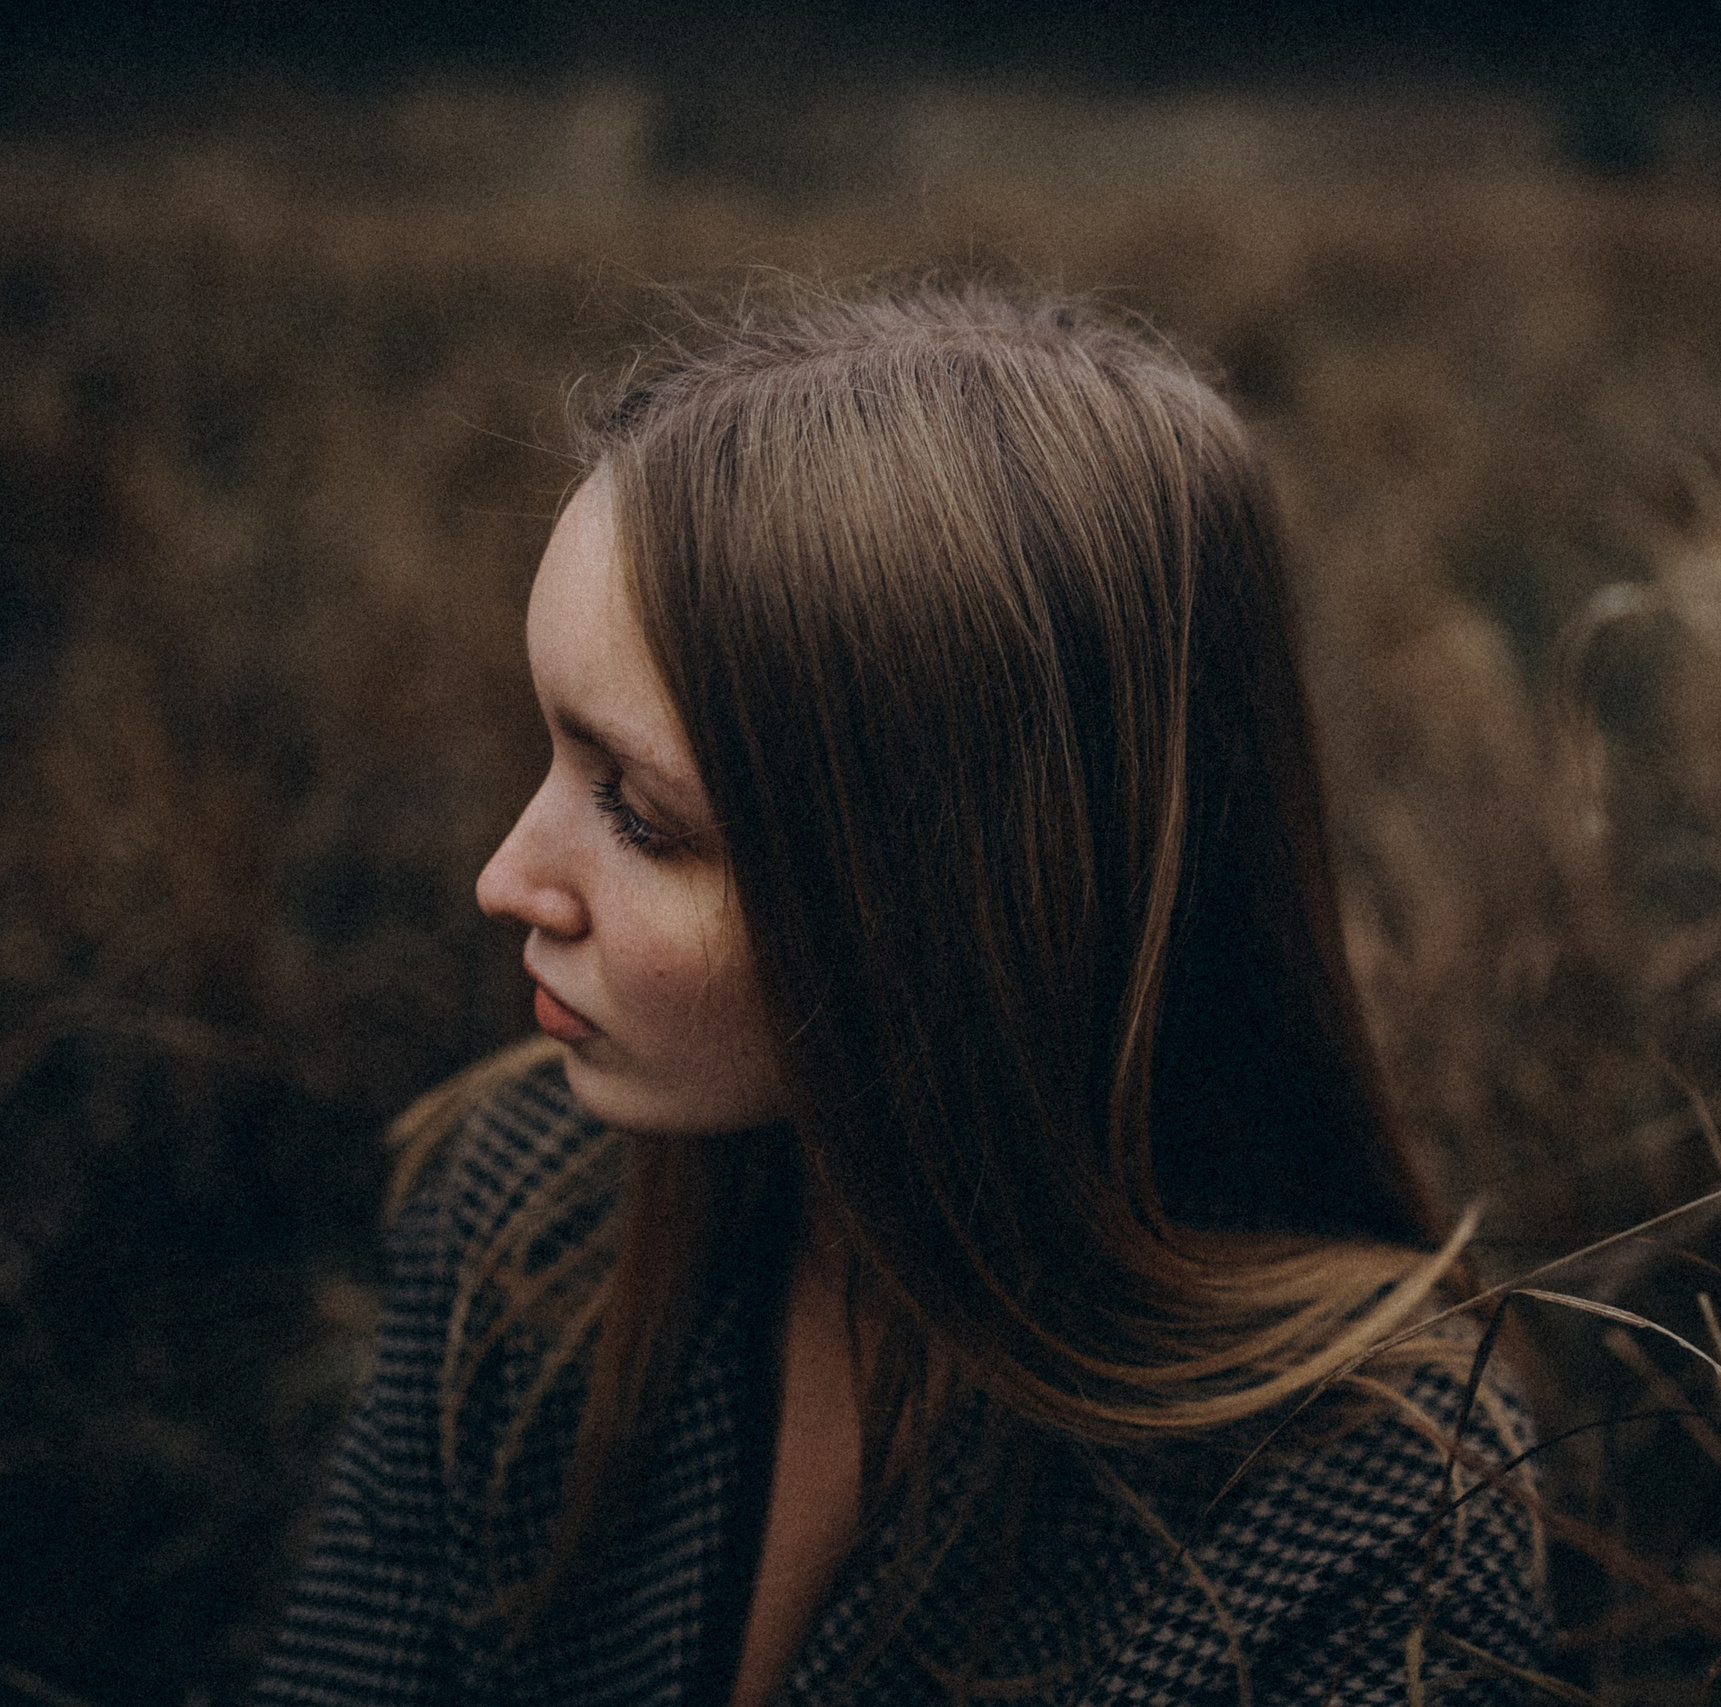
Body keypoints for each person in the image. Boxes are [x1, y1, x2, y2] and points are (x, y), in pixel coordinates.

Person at [254, 283, 1546, 1706]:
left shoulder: (1364, 1516)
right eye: (552, 751)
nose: (509, 878)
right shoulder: (528, 1215)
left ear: (959, 898)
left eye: (641, 815)